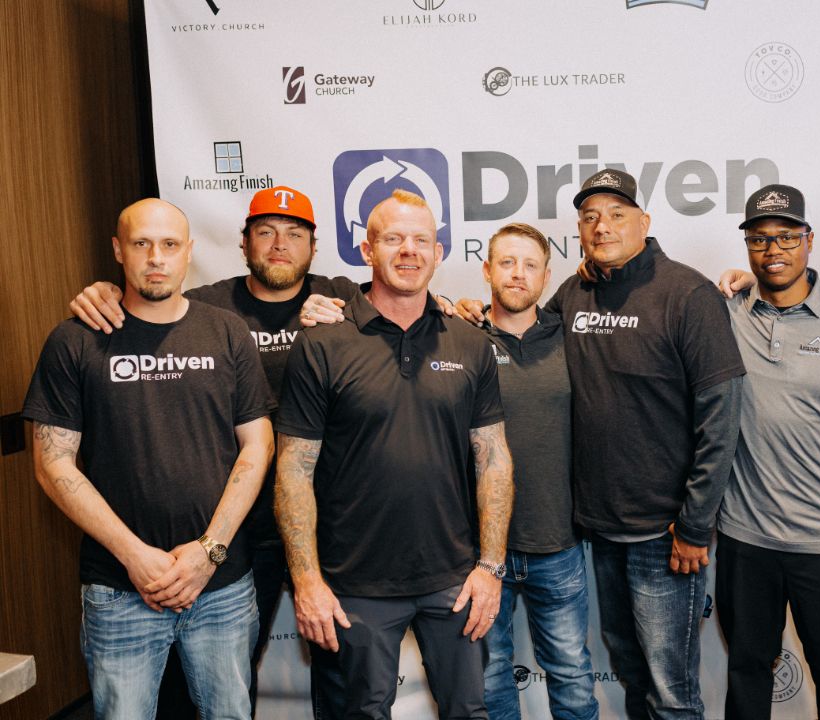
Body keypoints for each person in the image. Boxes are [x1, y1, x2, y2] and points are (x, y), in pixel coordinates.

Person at [444, 170, 744, 719]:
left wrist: (697, 524)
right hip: (598, 532)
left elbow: (721, 418)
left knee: (672, 691)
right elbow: (521, 323)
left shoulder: (688, 292)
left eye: (617, 214)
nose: (602, 226)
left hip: (666, 533)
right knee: (630, 670)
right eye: (589, 217)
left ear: (645, 223)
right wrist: (463, 310)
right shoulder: (575, 292)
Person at [67, 185, 357, 716]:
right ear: (242, 243)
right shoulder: (209, 308)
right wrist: (102, 292)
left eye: (294, 235)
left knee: (341, 676)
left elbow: (414, 309)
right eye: (265, 233)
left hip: (327, 528)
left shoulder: (342, 298)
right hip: (235, 536)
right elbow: (147, 305)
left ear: (313, 248)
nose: (279, 245)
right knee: (217, 687)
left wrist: (460, 305)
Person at [23, 198, 275, 718]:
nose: (155, 258)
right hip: (119, 590)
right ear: (119, 250)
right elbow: (53, 464)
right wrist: (136, 558)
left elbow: (258, 445)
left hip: (221, 588)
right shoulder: (75, 342)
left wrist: (209, 552)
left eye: (168, 245)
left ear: (189, 253)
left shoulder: (228, 334)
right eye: (141, 244)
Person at [274, 189, 514, 719]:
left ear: (440, 250)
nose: (409, 251)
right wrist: (307, 580)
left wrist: (490, 568)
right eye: (394, 238)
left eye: (422, 240)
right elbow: (293, 469)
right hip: (352, 585)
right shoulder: (323, 343)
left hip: (453, 579)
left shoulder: (469, 343)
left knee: (470, 712)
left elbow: (493, 457)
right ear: (366, 250)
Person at [717, 184, 820, 720]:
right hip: (745, 536)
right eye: (760, 240)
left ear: (809, 241)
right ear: (747, 249)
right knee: (746, 673)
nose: (773, 251)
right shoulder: (727, 315)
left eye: (786, 237)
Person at [475, 223, 598, 720]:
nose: (518, 274)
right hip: (481, 551)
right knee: (489, 676)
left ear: (547, 276)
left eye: (530, 265)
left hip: (558, 544)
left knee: (571, 674)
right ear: (487, 270)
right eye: (506, 262)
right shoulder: (461, 342)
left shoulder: (574, 338)